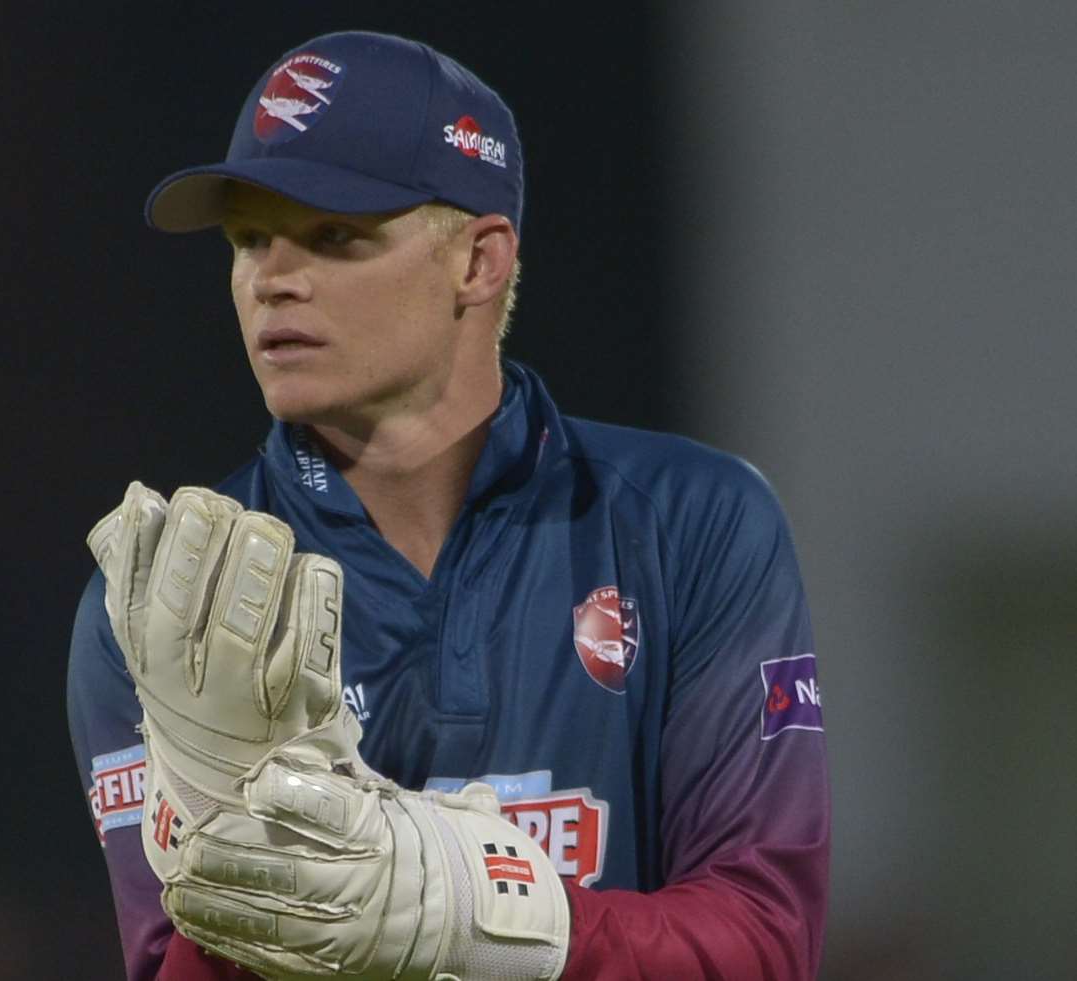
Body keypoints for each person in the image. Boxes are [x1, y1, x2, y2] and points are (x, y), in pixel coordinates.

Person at [67, 29, 830, 981]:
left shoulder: (693, 524)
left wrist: (469, 912)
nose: (272, 278)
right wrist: (228, 839)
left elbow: (763, 944)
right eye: (250, 238)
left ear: (479, 262)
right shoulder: (163, 605)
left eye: (334, 235)